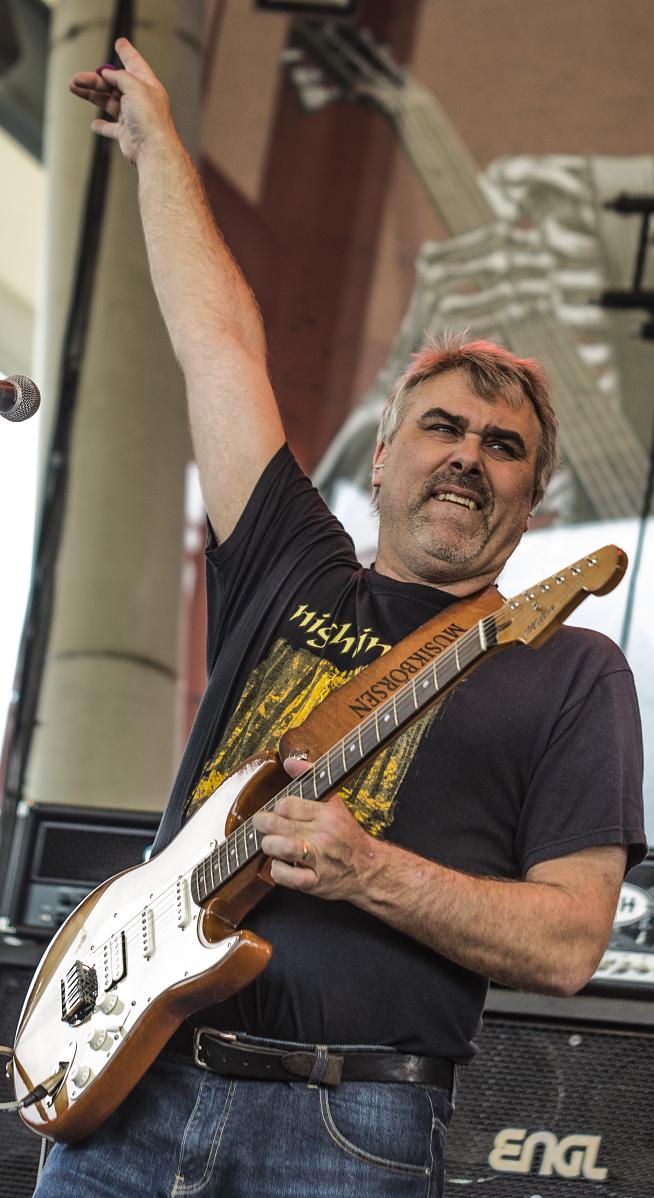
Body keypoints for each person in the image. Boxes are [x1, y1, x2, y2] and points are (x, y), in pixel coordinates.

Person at [34, 38, 645, 1198]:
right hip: (136, 1085)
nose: (468, 456)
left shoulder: (568, 669)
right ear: (381, 451)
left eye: (504, 447)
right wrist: (158, 147)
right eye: (443, 426)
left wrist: (370, 871)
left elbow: (570, 941)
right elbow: (218, 338)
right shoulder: (292, 563)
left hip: (348, 1125)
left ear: (533, 502)